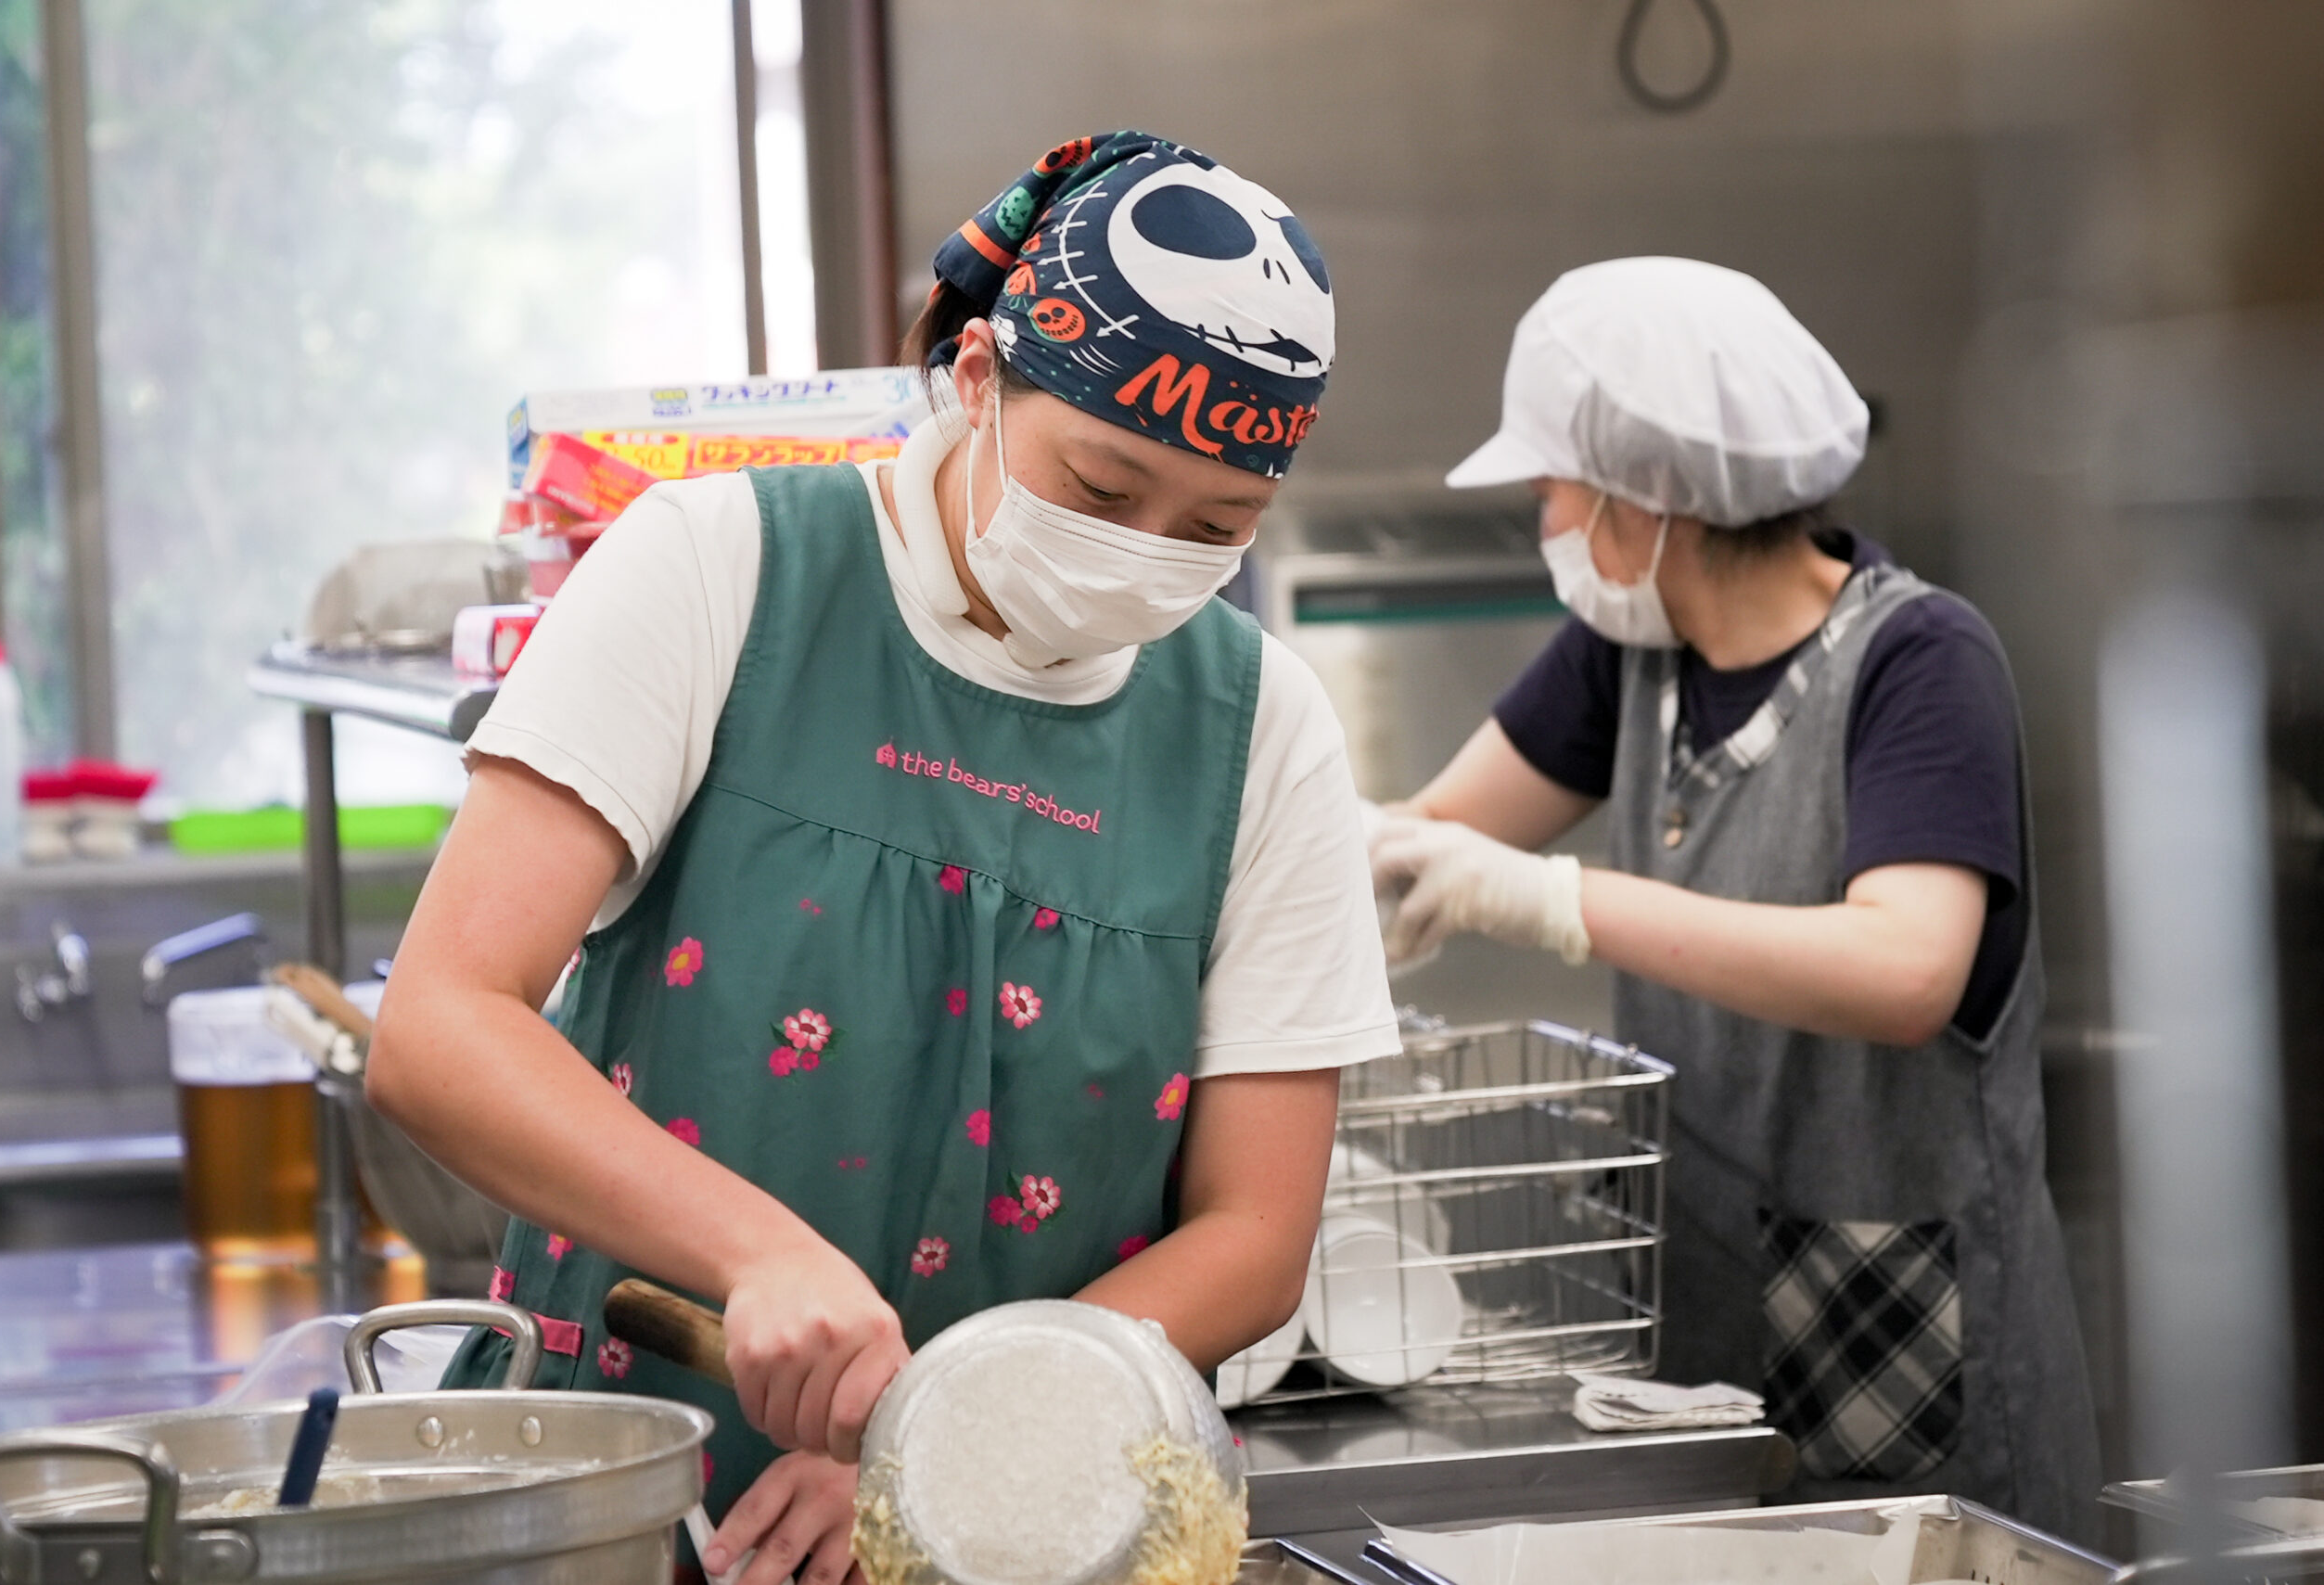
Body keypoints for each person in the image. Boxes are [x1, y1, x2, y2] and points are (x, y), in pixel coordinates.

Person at [368, 131, 1396, 1585]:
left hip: (1028, 1530)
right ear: (979, 378)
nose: (1145, 553)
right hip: (611, 1507)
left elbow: (1254, 1230)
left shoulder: (1259, 731)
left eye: (1215, 528)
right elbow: (439, 1026)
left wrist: (944, 1450)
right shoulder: (720, 566)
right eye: (1103, 490)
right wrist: (755, 1249)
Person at [1372, 257, 2100, 1537]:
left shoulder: (1921, 662)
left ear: (1648, 504)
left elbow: (1905, 968)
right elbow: (1429, 835)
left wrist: (1554, 901)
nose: (1543, 522)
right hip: (1705, 1366)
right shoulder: (1633, 654)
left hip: (1905, 1361)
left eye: (1551, 488)